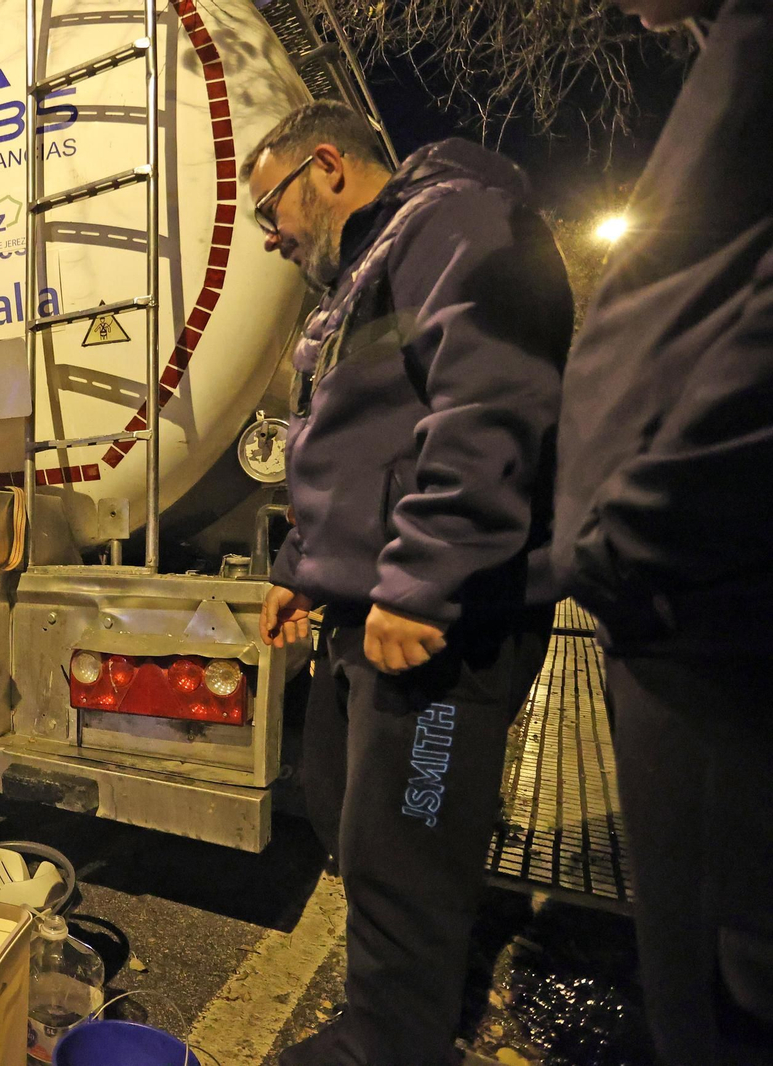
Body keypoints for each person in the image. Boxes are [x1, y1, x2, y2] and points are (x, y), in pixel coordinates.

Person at [244, 101, 573, 1065]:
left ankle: (390, 1043)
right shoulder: (360, 278)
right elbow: (346, 453)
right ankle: (395, 998)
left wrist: (423, 579)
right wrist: (297, 570)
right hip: (368, 606)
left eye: (274, 209)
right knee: (353, 816)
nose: (272, 237)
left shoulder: (456, 224)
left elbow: (488, 405)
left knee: (408, 844)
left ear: (328, 166)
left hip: (445, 621)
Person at [554, 1, 773, 1061]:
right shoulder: (732, 40)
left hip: (710, 599)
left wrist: (634, 524)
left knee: (726, 975)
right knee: (698, 965)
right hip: (684, 589)